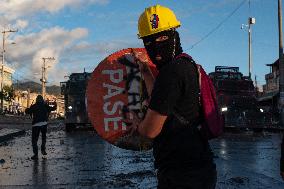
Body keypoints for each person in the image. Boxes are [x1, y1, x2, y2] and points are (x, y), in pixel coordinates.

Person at [126, 5, 217, 189]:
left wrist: (138, 124)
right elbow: (163, 100)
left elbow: (150, 131)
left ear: (174, 35)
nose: (156, 46)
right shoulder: (187, 65)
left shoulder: (171, 72)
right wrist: (145, 70)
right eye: (149, 42)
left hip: (182, 174)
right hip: (199, 167)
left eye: (162, 37)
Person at [25, 95, 57, 160]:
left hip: (36, 125)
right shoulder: (45, 105)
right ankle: (43, 150)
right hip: (44, 124)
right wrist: (55, 103)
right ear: (42, 100)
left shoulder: (34, 106)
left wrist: (27, 108)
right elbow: (53, 108)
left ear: (36, 100)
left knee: (34, 140)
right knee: (43, 138)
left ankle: (36, 155)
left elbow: (27, 111)